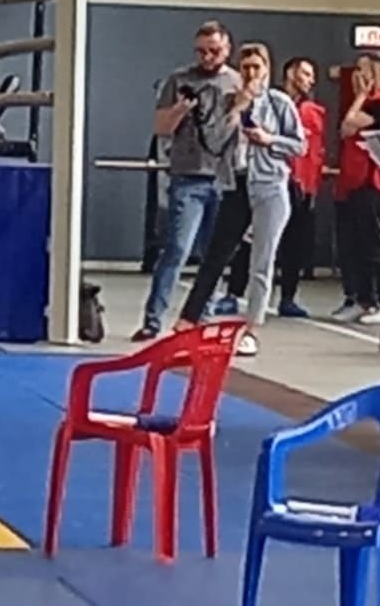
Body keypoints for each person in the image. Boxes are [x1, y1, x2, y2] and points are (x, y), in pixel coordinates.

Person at [175, 42, 307, 356]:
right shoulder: (229, 100)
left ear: (267, 69)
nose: (250, 74)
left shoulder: (279, 103)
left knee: (262, 260)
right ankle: (187, 320)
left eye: (256, 67)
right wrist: (236, 110)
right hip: (237, 183)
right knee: (216, 255)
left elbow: (300, 145)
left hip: (270, 185)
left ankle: (251, 328)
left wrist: (270, 139)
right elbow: (214, 142)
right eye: (245, 67)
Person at [135, 21, 243, 340]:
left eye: (214, 51)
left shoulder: (237, 83)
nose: (207, 57)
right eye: (201, 52)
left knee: (215, 256)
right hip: (188, 177)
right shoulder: (178, 80)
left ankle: (202, 318)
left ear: (227, 50)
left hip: (225, 178)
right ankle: (153, 319)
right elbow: (160, 127)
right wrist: (182, 108)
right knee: (177, 249)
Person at [334, 51, 380, 325]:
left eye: (362, 70)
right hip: (355, 181)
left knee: (374, 243)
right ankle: (364, 299)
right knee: (356, 244)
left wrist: (361, 96)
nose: (357, 76)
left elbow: (348, 126)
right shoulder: (370, 103)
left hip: (374, 181)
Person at [277, 56, 326, 318]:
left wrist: (310, 186)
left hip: (300, 186)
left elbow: (314, 153)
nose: (311, 80)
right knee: (256, 239)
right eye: (306, 74)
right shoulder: (272, 103)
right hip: (273, 180)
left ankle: (288, 297)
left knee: (295, 243)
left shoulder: (313, 112)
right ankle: (234, 292)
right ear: (291, 74)